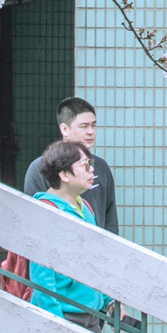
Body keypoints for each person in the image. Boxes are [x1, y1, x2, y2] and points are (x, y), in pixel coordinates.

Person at [27, 139, 113, 331]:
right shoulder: (46, 213)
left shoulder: (85, 207)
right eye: (86, 165)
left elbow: (95, 260)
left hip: (91, 314)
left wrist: (108, 300)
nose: (92, 170)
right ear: (65, 174)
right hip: (65, 317)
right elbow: (41, 275)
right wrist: (56, 322)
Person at [23, 96, 119, 233]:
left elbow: (110, 220)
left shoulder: (101, 166)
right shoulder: (40, 167)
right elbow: (33, 219)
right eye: (84, 126)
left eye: (94, 125)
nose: (90, 132)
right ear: (64, 129)